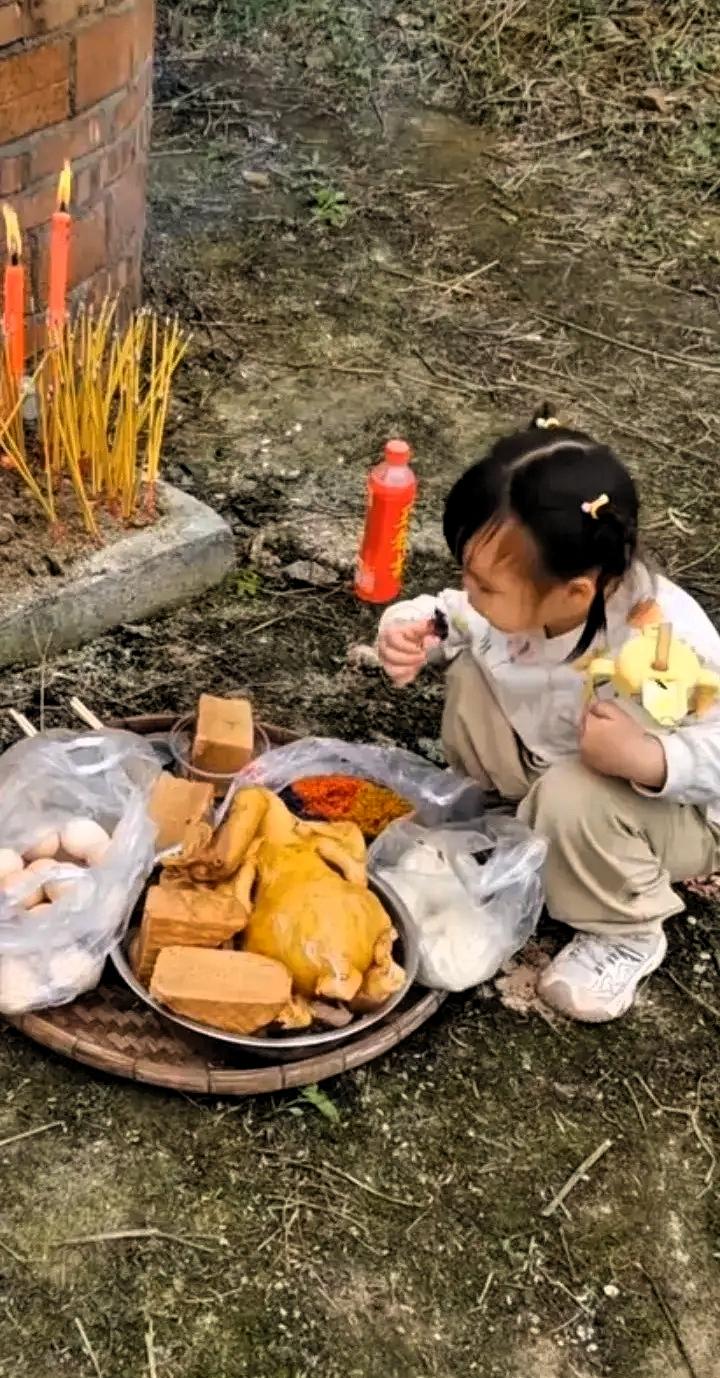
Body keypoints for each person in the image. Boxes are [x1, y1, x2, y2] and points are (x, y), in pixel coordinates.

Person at [376, 411, 720, 1022]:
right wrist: (410, 632)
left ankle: (626, 930)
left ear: (576, 594)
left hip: (675, 812)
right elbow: (454, 615)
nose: (468, 591)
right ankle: (511, 816)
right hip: (553, 756)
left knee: (573, 793)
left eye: (484, 584)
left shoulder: (668, 646)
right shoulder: (525, 594)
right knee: (470, 672)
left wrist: (651, 758)